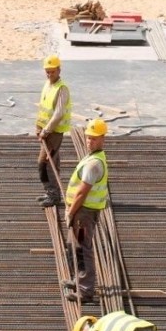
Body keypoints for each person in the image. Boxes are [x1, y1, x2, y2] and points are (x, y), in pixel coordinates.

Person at [64, 118, 109, 304]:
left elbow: (82, 192)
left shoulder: (94, 164)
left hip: (83, 213)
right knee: (73, 246)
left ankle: (85, 290)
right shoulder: (92, 157)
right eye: (88, 138)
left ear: (102, 139)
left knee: (83, 249)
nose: (90, 141)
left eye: (94, 139)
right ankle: (77, 280)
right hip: (81, 212)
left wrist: (71, 212)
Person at [35, 55, 72, 207]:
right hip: (45, 131)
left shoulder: (62, 89)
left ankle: (53, 195)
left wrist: (46, 130)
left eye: (52, 71)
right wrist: (38, 126)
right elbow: (44, 107)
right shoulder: (48, 84)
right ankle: (51, 192)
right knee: (53, 163)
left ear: (59, 70)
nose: (49, 74)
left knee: (44, 164)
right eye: (47, 71)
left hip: (54, 133)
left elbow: (58, 114)